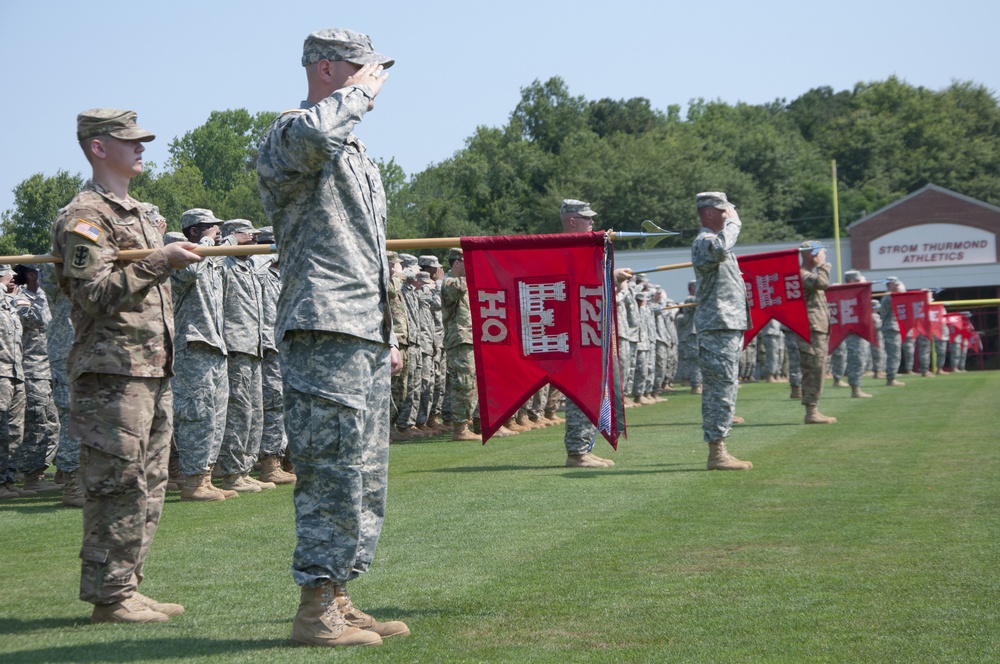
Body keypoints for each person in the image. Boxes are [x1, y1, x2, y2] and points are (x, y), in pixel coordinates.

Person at [257, 28, 408, 648]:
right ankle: (315, 606)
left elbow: (366, 253)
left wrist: (388, 332)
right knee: (331, 470)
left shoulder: (351, 147)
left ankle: (340, 595)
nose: (376, 80)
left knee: (364, 473)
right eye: (363, 68)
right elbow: (318, 134)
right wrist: (361, 96)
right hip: (323, 326)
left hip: (360, 329)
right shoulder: (293, 132)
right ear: (326, 68)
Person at [51, 108, 202, 623]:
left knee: (150, 483)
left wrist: (163, 255)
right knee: (116, 484)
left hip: (153, 368)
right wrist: (161, 260)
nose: (141, 148)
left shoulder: (145, 215)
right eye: (129, 141)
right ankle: (109, 597)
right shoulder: (86, 218)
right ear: (98, 147)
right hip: (112, 374)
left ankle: (127, 586)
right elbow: (91, 294)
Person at [169, 208, 238, 501]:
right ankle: (192, 480)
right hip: (192, 347)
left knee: (215, 416)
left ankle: (205, 476)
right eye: (211, 227)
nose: (217, 231)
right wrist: (208, 244)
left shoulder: (210, 260)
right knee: (195, 415)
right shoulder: (181, 259)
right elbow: (189, 271)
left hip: (214, 345)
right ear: (194, 232)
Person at [558, 199, 625, 468]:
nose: (593, 222)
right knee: (581, 390)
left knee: (593, 389)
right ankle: (576, 452)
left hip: (590, 329)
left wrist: (613, 278)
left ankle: (583, 446)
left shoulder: (583, 248)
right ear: (572, 221)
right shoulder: (568, 249)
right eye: (587, 218)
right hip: (577, 331)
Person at [690, 192, 752, 471]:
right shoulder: (706, 242)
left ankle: (720, 448)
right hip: (717, 325)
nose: (731, 216)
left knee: (726, 385)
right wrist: (734, 225)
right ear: (710, 213)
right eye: (725, 212)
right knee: (720, 388)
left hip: (726, 324)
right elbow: (719, 249)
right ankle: (717, 452)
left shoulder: (715, 242)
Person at [441, 248, 480, 441]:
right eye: (467, 263)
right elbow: (456, 290)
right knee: (463, 384)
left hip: (470, 339)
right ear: (457, 263)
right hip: (459, 340)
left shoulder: (465, 282)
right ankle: (459, 429)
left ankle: (469, 423)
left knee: (472, 383)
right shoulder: (450, 282)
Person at [797, 242, 837, 424]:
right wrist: (823, 265)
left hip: (818, 327)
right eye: (821, 253)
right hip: (811, 328)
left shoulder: (808, 273)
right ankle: (811, 411)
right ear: (812, 255)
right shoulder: (802, 274)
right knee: (814, 367)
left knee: (818, 367)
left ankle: (813, 409)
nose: (824, 256)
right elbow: (823, 283)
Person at [879, 277, 907, 386]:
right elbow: (903, 295)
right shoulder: (890, 297)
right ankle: (891, 378)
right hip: (891, 327)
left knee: (894, 353)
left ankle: (892, 376)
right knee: (894, 354)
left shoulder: (888, 296)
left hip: (892, 327)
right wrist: (900, 288)